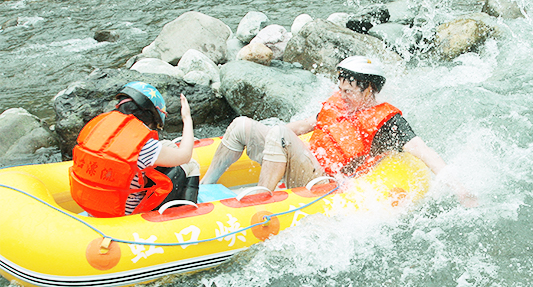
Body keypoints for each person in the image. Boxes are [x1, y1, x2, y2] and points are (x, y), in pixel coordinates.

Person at [201, 56, 476, 207]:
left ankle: (262, 200)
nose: (341, 95)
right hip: (305, 159)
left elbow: (423, 151)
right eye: (341, 89)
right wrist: (267, 137)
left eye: (349, 90)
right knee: (242, 125)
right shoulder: (338, 102)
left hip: (323, 178)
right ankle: (205, 187)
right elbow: (304, 126)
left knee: (280, 135)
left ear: (368, 89)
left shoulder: (388, 122)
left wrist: (461, 190)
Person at [70, 82, 199, 218]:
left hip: (94, 209)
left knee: (166, 144)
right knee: (191, 165)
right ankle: (187, 217)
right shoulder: (144, 146)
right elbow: (185, 155)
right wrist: (187, 118)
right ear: (151, 118)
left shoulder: (97, 127)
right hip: (126, 215)